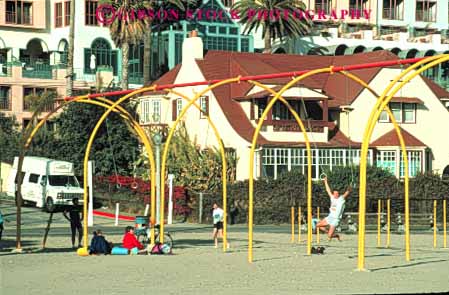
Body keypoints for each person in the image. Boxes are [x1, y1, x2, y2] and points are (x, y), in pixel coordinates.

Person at [316, 177, 352, 241]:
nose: (335, 195)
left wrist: (350, 187)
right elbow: (328, 190)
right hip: (330, 217)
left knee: (329, 236)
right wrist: (325, 181)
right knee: (318, 225)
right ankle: (329, 232)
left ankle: (336, 235)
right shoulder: (332, 197)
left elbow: (347, 192)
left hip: (336, 219)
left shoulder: (341, 199)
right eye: (334, 193)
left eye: (336, 193)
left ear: (338, 194)